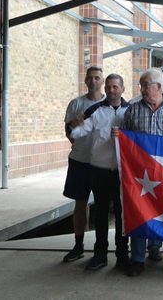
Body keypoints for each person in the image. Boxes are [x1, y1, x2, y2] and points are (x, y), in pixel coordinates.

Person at [115, 68, 163, 277]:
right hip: (141, 176)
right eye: (141, 85)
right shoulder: (133, 110)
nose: (141, 89)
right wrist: (119, 136)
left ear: (158, 86)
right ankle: (138, 259)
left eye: (145, 85)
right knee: (140, 213)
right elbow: (127, 138)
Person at [69, 73, 130, 271]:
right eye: (109, 87)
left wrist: (124, 136)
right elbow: (77, 133)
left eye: (115, 87)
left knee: (122, 215)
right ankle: (100, 255)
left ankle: (122, 255)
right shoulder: (96, 111)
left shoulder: (131, 112)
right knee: (101, 214)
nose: (111, 91)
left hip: (122, 172)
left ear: (123, 89)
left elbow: (140, 136)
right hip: (99, 170)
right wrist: (75, 125)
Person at [62, 66, 105, 263]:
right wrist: (80, 146)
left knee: (105, 205)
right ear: (86, 81)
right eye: (90, 78)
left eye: (97, 78)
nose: (93, 81)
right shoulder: (76, 103)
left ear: (102, 81)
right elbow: (68, 130)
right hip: (79, 161)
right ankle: (78, 246)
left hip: (102, 164)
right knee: (80, 203)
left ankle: (100, 248)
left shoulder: (109, 102)